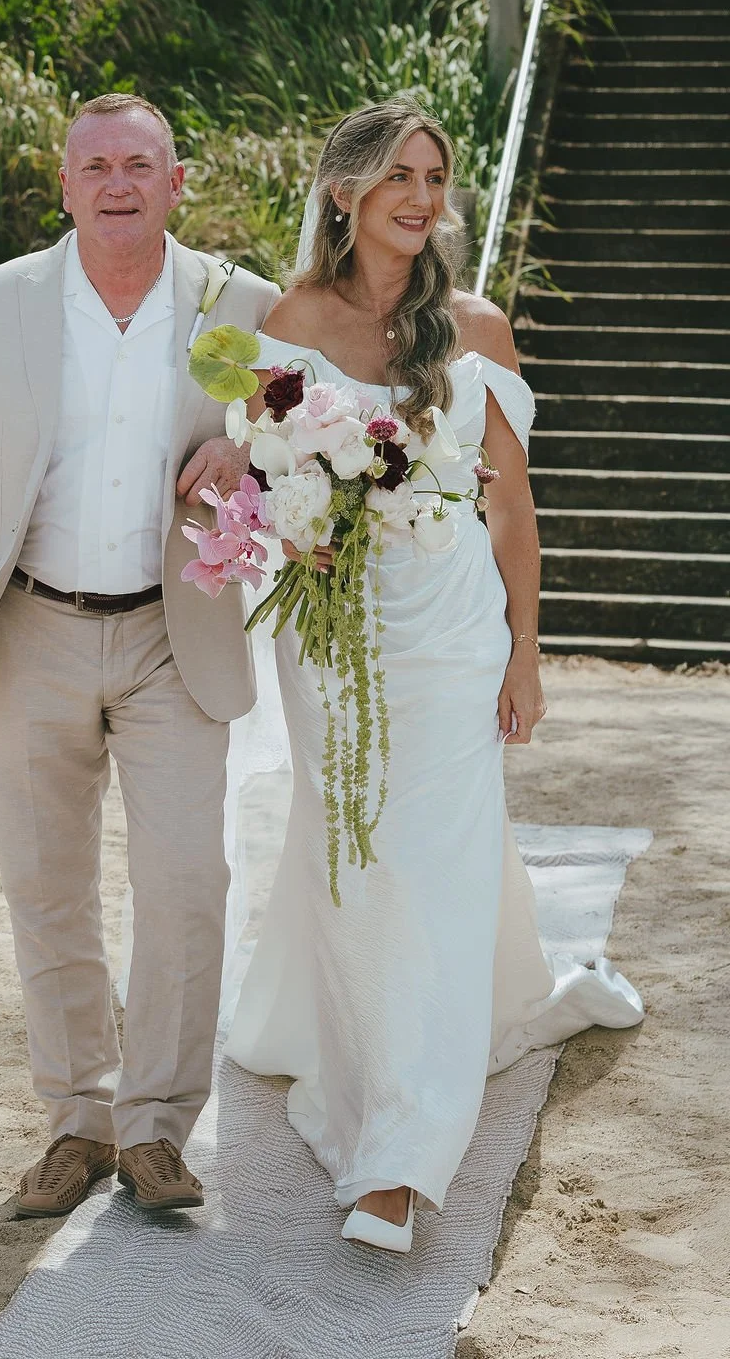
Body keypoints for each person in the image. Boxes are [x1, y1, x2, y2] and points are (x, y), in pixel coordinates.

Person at [0, 93, 280, 1218]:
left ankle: (156, 1134)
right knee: (47, 889)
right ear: (65, 186)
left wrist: (245, 449)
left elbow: (297, 443)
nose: (119, 182)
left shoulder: (246, 303)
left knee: (187, 882)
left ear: (177, 182)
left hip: (172, 630)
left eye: (141, 163)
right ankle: (77, 1122)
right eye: (97, 166)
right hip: (29, 627)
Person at [224, 97, 644, 1252]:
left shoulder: (477, 326)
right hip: (329, 638)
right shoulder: (288, 316)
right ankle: (381, 1025)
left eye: (435, 176)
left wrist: (525, 648)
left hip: (451, 631)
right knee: (356, 849)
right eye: (398, 176)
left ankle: (399, 1161)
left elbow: (511, 510)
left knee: (439, 858)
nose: (421, 197)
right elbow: (262, 482)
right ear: (342, 192)